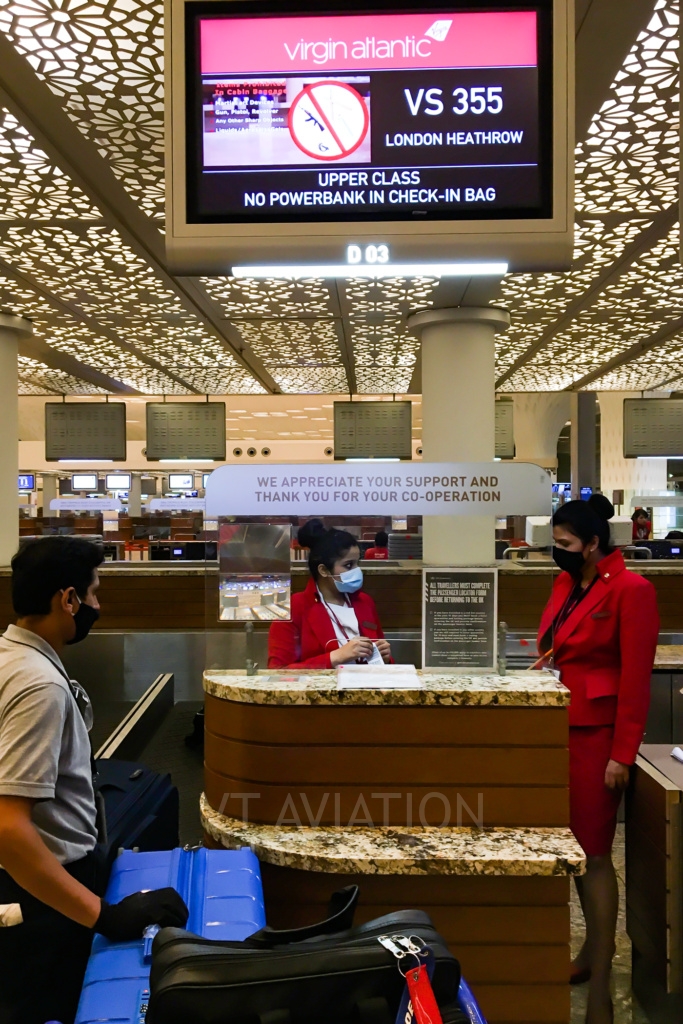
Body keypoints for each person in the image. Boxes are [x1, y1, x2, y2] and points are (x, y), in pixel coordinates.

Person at [0, 537, 188, 1024]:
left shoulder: (9, 658)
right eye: (94, 593)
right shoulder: (38, 684)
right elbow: (8, 826)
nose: (97, 606)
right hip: (40, 896)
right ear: (68, 599)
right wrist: (101, 915)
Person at [536, 495, 659, 1024]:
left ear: (592, 545)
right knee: (571, 854)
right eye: (555, 543)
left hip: (597, 741)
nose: (557, 553)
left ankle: (605, 985)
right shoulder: (566, 583)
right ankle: (588, 954)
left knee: (595, 856)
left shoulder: (633, 591)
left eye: (565, 545)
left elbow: (635, 681)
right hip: (555, 732)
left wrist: (621, 755)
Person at [268, 519, 392, 669]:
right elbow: (277, 672)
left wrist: (385, 658)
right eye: (348, 565)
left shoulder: (365, 603)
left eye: (357, 563)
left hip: (365, 689)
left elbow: (383, 663)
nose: (357, 571)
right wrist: (335, 657)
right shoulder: (293, 608)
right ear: (323, 570)